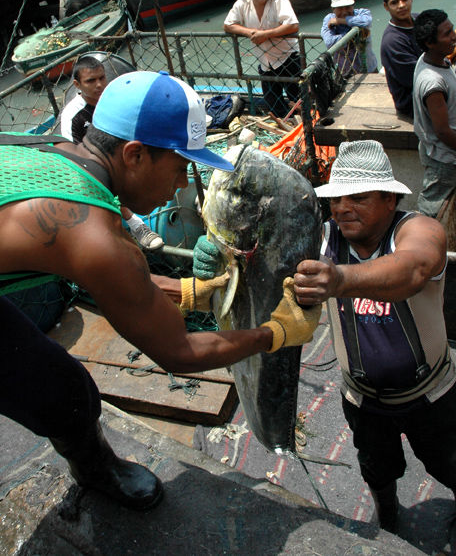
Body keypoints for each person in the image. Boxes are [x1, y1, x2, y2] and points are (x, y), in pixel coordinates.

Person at [0, 70, 321, 511]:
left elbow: (104, 270)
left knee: (62, 389)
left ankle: (90, 464)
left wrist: (188, 290)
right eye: (180, 167)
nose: (181, 184)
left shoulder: (63, 156)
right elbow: (179, 354)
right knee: (65, 395)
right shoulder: (95, 239)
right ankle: (98, 472)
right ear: (135, 155)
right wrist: (275, 333)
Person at [192, 139, 456, 533]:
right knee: (377, 470)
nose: (342, 209)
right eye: (335, 200)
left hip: (431, 394)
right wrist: (218, 249)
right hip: (362, 399)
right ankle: (388, 522)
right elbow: (258, 258)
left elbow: (414, 269)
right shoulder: (322, 239)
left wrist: (341, 278)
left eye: (358, 198)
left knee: (450, 464)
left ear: (389, 200)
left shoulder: (419, 228)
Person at [60, 55, 163, 250]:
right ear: (77, 84)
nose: (99, 85)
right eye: (91, 81)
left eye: (102, 78)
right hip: (93, 166)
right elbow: (72, 156)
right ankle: (136, 225)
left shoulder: (111, 99)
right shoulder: (73, 116)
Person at [223, 0, 302, 120]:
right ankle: (287, 128)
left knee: (299, 100)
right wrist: (249, 32)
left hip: (288, 57)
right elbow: (228, 25)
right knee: (273, 104)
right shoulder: (242, 3)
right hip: (265, 62)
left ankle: (304, 127)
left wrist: (266, 35)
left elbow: (293, 25)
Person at [413, 9, 456, 217]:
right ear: (430, 43)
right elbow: (443, 132)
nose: (454, 36)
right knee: (432, 210)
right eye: (447, 34)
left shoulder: (432, 58)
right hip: (445, 158)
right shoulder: (432, 83)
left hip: (439, 150)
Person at [380, 0, 422, 119]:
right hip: (413, 102)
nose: (401, 5)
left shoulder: (420, 20)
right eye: (394, 2)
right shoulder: (393, 41)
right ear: (386, 7)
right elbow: (418, 79)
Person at [321, 0, 378, 77]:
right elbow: (329, 42)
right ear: (333, 9)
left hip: (369, 70)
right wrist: (352, 35)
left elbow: (366, 22)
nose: (344, 12)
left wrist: (341, 20)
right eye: (340, 8)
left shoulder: (362, 13)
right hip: (344, 74)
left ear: (353, 6)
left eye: (348, 7)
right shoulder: (328, 19)